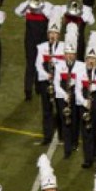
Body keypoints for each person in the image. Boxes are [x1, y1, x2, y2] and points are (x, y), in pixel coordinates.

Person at [15, 0, 53, 101]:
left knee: (41, 63)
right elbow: (17, 11)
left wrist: (42, 6)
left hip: (42, 40)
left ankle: (39, 87)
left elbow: (52, 15)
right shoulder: (27, 8)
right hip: (30, 40)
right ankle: (27, 90)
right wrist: (28, 2)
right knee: (30, 63)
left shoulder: (47, 6)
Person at [76, 31, 96, 168]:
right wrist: (84, 102)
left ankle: (95, 152)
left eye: (93, 58)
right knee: (86, 131)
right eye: (89, 58)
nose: (91, 61)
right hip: (86, 104)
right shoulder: (81, 72)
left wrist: (95, 86)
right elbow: (77, 90)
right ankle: (88, 158)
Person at [52, 24, 85, 158]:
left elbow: (82, 83)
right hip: (62, 97)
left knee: (75, 121)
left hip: (75, 97)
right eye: (67, 54)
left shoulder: (80, 66)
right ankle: (67, 149)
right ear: (64, 54)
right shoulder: (59, 66)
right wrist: (65, 95)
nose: (70, 56)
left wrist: (75, 93)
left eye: (72, 54)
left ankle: (74, 142)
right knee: (66, 121)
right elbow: (56, 83)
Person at [34, 12, 65, 144]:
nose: (53, 35)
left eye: (55, 33)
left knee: (60, 109)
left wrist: (56, 73)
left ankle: (63, 136)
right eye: (50, 33)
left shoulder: (64, 48)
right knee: (46, 110)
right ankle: (47, 136)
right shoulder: (42, 48)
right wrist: (47, 75)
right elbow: (38, 64)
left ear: (59, 35)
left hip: (59, 83)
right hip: (46, 82)